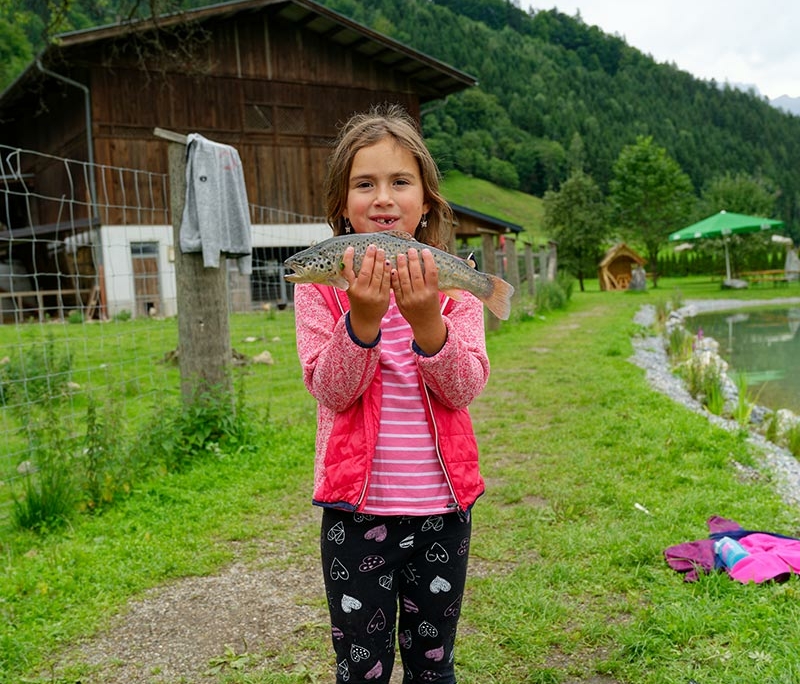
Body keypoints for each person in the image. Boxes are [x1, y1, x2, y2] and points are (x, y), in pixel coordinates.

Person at [293, 103, 489, 684]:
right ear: (342, 205)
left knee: (433, 668)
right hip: (354, 514)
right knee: (362, 669)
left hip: (443, 511)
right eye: (364, 183)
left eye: (400, 181)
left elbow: (465, 389)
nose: (383, 197)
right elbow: (329, 390)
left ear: (426, 200)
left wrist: (430, 321)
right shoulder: (321, 292)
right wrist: (362, 321)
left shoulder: (454, 288)